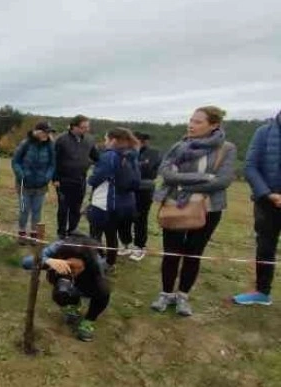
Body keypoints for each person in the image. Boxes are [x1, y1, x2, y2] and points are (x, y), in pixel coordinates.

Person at [150, 106, 236, 317]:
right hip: (175, 207)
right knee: (171, 253)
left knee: (193, 254)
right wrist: (204, 178)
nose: (191, 124)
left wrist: (184, 185)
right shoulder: (179, 146)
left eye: (198, 122)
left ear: (214, 125)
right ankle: (166, 293)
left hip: (208, 209)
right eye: (191, 120)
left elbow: (223, 181)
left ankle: (183, 296)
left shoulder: (226, 149)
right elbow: (166, 174)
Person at [21, 233, 110, 342]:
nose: (73, 271)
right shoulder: (57, 248)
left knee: (103, 291)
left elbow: (101, 277)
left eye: (77, 267)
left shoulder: (95, 259)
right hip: (63, 277)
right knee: (61, 292)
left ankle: (88, 321)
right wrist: (48, 260)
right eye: (70, 266)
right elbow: (25, 263)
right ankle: (72, 305)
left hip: (88, 279)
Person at [233, 109, 281, 306]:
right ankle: (262, 292)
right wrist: (268, 194)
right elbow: (250, 166)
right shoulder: (263, 132)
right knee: (265, 247)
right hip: (267, 200)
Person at [86, 128, 141, 272]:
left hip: (105, 202)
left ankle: (96, 262)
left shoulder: (110, 156)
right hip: (125, 202)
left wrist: (90, 179)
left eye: (106, 139)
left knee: (95, 234)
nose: (105, 143)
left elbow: (97, 177)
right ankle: (110, 262)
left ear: (113, 140)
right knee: (112, 234)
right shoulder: (131, 156)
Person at [53, 114, 99, 239]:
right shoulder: (61, 140)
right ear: (74, 127)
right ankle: (61, 233)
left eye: (87, 127)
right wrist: (55, 178)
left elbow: (97, 157)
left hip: (80, 180)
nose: (86, 130)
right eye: (83, 127)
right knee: (63, 208)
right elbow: (54, 160)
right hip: (63, 180)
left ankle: (72, 231)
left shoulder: (89, 140)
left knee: (76, 207)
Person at [118, 132, 161, 261]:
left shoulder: (154, 153)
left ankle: (139, 246)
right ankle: (125, 243)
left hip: (144, 190)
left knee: (140, 219)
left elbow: (148, 170)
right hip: (127, 190)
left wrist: (132, 166)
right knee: (124, 217)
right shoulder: (125, 152)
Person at [11, 121, 55, 245]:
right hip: (24, 184)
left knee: (37, 210)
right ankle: (22, 233)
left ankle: (34, 234)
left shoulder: (50, 146)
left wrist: (47, 177)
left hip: (41, 185)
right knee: (24, 210)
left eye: (49, 132)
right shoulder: (26, 143)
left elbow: (52, 164)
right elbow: (15, 161)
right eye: (45, 132)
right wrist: (21, 174)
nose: (47, 134)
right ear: (37, 131)